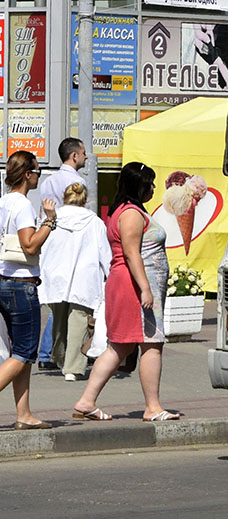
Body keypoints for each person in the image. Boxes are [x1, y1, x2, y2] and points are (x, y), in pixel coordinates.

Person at [72, 162, 181, 422]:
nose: (153, 188)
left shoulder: (124, 210)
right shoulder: (131, 213)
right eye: (150, 184)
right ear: (138, 186)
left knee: (119, 347)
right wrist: (145, 289)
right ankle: (152, 407)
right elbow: (132, 254)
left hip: (127, 283)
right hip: (135, 286)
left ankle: (86, 401)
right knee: (151, 343)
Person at [0, 151, 57, 429]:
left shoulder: (3, 203)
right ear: (27, 175)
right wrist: (49, 221)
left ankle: (23, 414)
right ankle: (23, 414)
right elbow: (30, 245)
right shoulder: (22, 205)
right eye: (37, 172)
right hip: (21, 285)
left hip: (3, 280)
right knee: (24, 352)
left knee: (19, 353)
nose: (39, 176)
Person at [38, 183, 111, 381]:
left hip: (57, 276)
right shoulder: (95, 223)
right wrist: (110, 274)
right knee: (79, 320)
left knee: (59, 321)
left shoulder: (53, 219)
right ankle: (73, 367)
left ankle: (61, 358)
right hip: (84, 278)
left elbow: (43, 246)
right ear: (84, 200)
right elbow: (105, 253)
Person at [35, 138, 88, 372]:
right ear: (74, 156)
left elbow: (42, 213)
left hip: (51, 241)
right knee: (69, 302)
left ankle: (49, 352)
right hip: (71, 244)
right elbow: (80, 216)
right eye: (84, 153)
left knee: (57, 301)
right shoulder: (76, 181)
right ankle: (53, 352)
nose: (86, 157)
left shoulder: (48, 181)